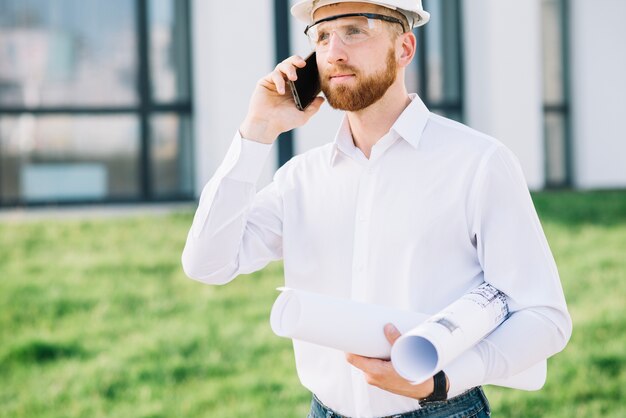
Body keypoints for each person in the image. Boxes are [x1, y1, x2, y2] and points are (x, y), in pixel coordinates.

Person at [182, 0, 572, 416]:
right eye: (322, 35)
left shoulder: (478, 163)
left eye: (355, 31)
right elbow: (207, 264)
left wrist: (442, 380)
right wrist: (256, 131)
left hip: (443, 409)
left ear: (404, 48)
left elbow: (543, 316)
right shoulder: (300, 179)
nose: (333, 52)